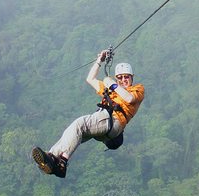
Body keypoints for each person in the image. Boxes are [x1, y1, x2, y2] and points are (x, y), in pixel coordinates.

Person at [32, 49, 145, 178]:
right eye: (120, 77)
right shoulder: (111, 88)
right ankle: (52, 160)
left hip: (113, 120)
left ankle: (62, 162)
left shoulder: (137, 89)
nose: (123, 80)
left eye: (126, 77)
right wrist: (99, 61)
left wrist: (113, 85)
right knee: (72, 133)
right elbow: (90, 79)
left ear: (132, 77)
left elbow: (129, 99)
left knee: (79, 124)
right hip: (105, 124)